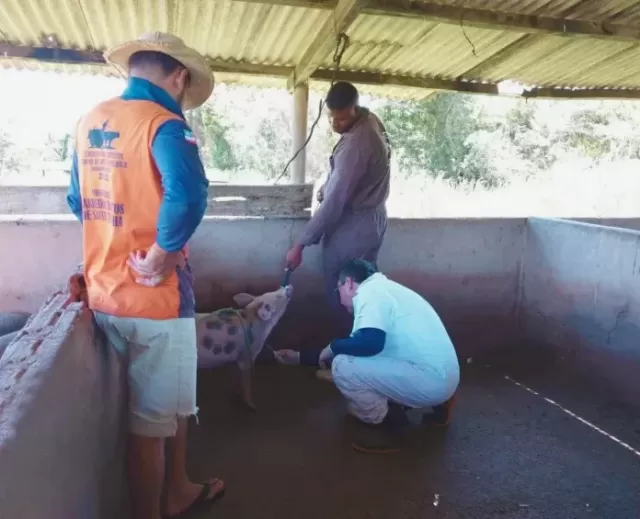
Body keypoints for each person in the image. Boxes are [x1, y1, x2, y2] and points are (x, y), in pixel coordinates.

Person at [66, 33, 224, 519]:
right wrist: (161, 252)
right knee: (149, 426)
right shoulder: (165, 124)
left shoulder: (89, 121)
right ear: (178, 76)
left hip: (106, 291)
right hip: (156, 299)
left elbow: (79, 202)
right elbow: (190, 195)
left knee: (170, 404)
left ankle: (177, 488)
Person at [275, 259, 460, 454]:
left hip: (430, 381)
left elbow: (369, 344)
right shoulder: (387, 290)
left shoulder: (368, 293)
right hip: (445, 377)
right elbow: (360, 345)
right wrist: (300, 357)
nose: (340, 298)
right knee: (352, 360)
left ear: (348, 283)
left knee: (343, 366)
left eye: (338, 291)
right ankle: (441, 405)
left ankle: (388, 426)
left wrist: (333, 346)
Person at [285, 82, 391, 336]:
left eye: (341, 118)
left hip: (353, 224)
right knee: (366, 289)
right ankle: (365, 348)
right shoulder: (370, 120)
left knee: (344, 291)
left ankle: (344, 355)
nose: (335, 124)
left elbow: (334, 203)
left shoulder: (356, 144)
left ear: (354, 109)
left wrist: (300, 244)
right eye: (332, 117)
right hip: (373, 218)